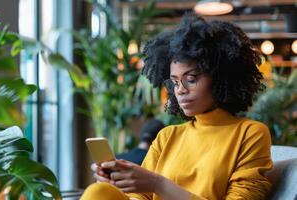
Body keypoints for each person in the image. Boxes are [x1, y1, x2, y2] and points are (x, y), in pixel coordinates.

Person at [81, 12, 272, 200]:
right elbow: (139, 198)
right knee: (99, 192)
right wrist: (114, 183)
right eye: (175, 82)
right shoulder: (167, 137)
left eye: (191, 79)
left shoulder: (250, 133)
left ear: (221, 77)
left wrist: (158, 184)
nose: (180, 90)